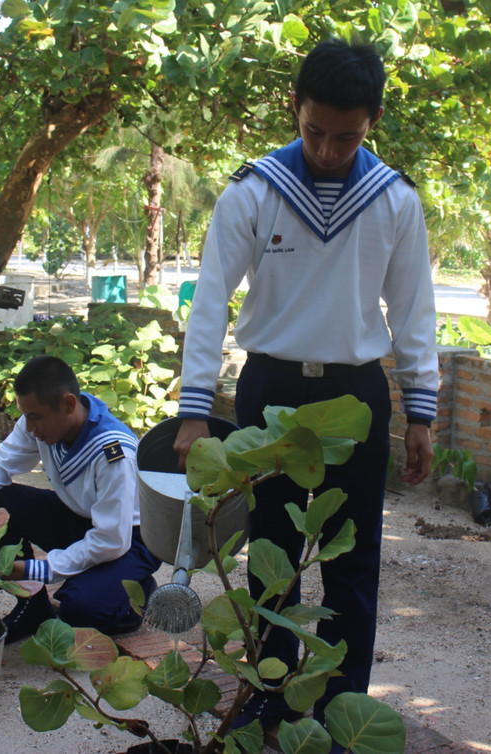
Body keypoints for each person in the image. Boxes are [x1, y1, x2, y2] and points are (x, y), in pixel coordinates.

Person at [173, 39, 439, 735]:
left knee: (353, 563)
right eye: (314, 130)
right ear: (295, 107)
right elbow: (210, 301)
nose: (326, 149)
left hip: (356, 396)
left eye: (345, 136)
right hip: (271, 392)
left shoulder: (394, 201)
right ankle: (269, 696)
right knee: (271, 559)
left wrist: (421, 411)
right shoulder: (254, 190)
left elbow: (414, 313)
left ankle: (342, 707)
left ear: (372, 120)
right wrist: (194, 408)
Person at [0, 355, 161, 643]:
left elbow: (112, 539)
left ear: (68, 404)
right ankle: (33, 607)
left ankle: (135, 593)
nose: (29, 426)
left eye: (35, 417)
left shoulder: (114, 452)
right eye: (26, 415)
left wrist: (35, 569)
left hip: (129, 540)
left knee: (80, 611)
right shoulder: (40, 423)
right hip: (81, 520)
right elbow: (2, 464)